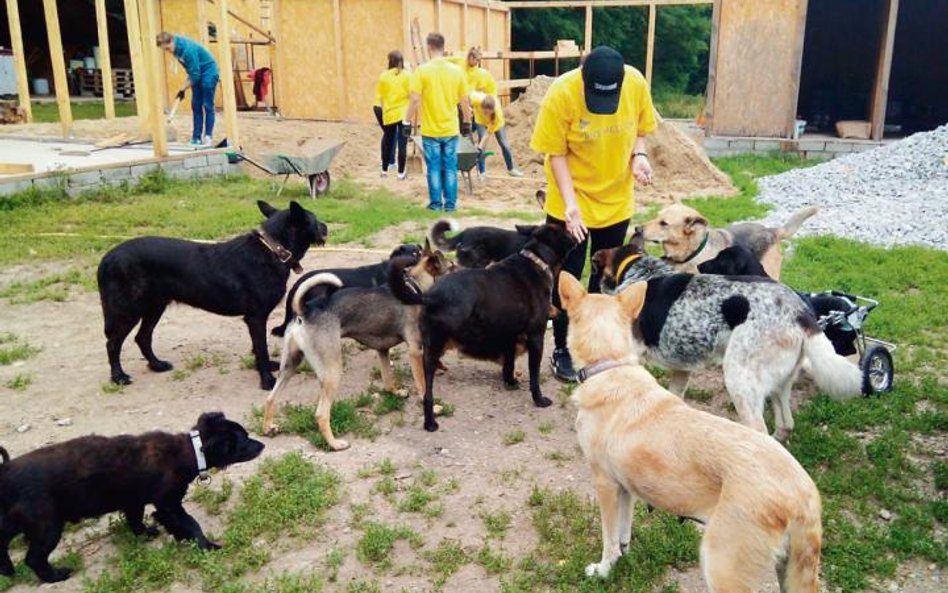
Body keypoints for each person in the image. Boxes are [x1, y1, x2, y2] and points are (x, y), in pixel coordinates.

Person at [530, 45, 658, 382]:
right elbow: (555, 154)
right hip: (569, 203)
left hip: (615, 201)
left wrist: (639, 156)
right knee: (567, 279)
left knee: (604, 278)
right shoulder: (561, 94)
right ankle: (563, 348)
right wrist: (571, 205)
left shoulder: (635, 83)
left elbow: (640, 131)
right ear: (583, 79)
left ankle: (603, 342)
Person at [404, 33, 472, 212]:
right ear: (443, 47)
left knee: (433, 167)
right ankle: (450, 205)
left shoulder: (421, 71)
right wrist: (467, 122)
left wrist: (406, 121)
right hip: (450, 129)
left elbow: (414, 100)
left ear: (428, 47)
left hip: (430, 130)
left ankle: (435, 204)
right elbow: (465, 101)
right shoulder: (457, 71)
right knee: (450, 167)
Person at [157, 32, 219, 146]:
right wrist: (183, 89)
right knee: (196, 105)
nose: (168, 51)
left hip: (209, 71)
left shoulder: (187, 50)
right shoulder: (176, 50)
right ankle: (196, 138)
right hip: (197, 72)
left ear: (172, 41)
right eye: (164, 49)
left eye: (168, 48)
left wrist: (183, 88)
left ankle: (208, 136)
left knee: (207, 104)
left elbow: (195, 75)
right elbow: (192, 71)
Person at [470, 91, 523, 178]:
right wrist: (468, 109)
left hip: (497, 124)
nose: (486, 115)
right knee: (482, 148)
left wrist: (479, 147)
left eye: (488, 113)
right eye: (485, 112)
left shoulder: (497, 116)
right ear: (481, 107)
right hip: (480, 122)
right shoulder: (476, 99)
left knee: (504, 145)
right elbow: (465, 97)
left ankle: (511, 169)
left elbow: (487, 135)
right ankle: (482, 173)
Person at [375, 50, 411, 179]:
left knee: (388, 142)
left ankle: (384, 171)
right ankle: (401, 174)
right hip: (404, 114)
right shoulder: (407, 76)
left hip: (389, 113)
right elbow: (411, 95)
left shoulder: (383, 76)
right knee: (402, 144)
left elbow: (381, 97)